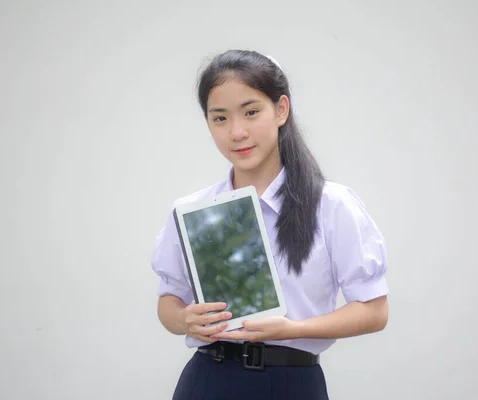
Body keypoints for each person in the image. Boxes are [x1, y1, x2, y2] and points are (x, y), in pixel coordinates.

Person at [150, 49, 389, 400]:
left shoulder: (331, 204)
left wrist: (294, 328)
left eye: (251, 112)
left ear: (281, 110)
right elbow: (169, 301)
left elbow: (374, 311)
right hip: (207, 380)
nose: (237, 132)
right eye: (220, 118)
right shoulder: (192, 210)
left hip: (291, 383)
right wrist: (186, 320)